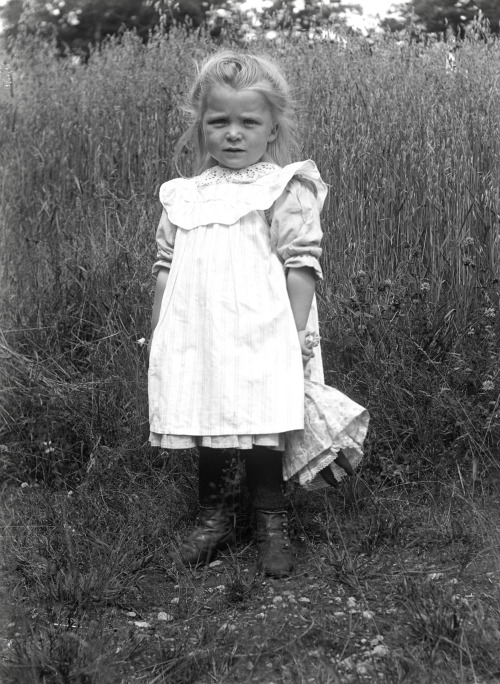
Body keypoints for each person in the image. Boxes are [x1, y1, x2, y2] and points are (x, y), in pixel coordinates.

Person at [148, 49, 328, 578]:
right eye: (218, 121)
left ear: (272, 129)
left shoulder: (284, 186)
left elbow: (301, 264)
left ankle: (271, 521)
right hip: (200, 331)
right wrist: (161, 332)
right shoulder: (184, 196)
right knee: (210, 417)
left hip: (264, 328)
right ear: (200, 127)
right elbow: (166, 267)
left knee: (263, 423)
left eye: (248, 122)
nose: (233, 133)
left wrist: (293, 332)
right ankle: (214, 518)